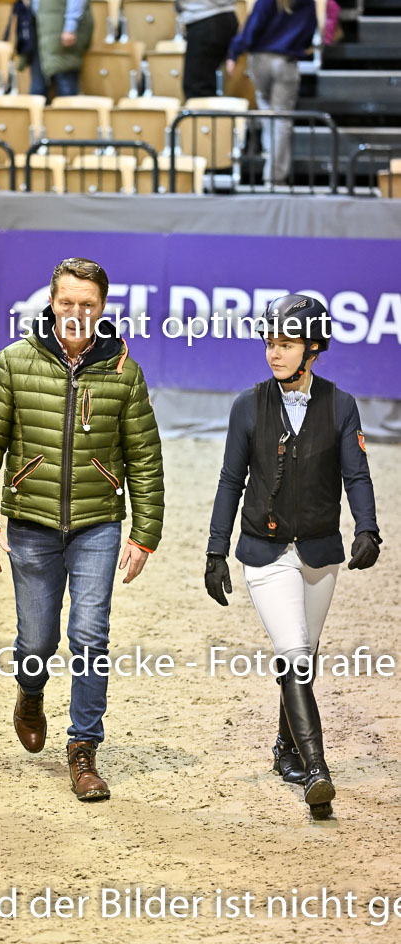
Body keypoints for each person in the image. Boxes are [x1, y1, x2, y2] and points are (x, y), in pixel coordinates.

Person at [0, 258, 164, 802]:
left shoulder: (124, 371)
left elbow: (145, 458)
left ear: (102, 307)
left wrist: (144, 532)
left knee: (90, 636)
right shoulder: (13, 362)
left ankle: (83, 748)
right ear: (52, 303)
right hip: (30, 523)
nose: (77, 312)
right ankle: (30, 692)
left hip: (99, 525)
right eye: (67, 301)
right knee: (37, 639)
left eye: (88, 303)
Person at [205, 294, 381, 819]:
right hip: (265, 553)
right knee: (295, 652)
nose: (273, 353)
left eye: (285, 344)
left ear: (313, 348)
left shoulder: (341, 405)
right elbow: (230, 481)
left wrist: (367, 528)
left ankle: (285, 748)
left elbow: (356, 474)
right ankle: (317, 770)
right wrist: (216, 550)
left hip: (321, 553)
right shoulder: (247, 405)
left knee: (303, 654)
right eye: (270, 343)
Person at [226, 0, 317, 187]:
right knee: (282, 119)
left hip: (260, 60)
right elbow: (309, 31)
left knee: (268, 114)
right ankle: (275, 176)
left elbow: (253, 26)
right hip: (286, 61)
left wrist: (235, 52)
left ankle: (271, 166)